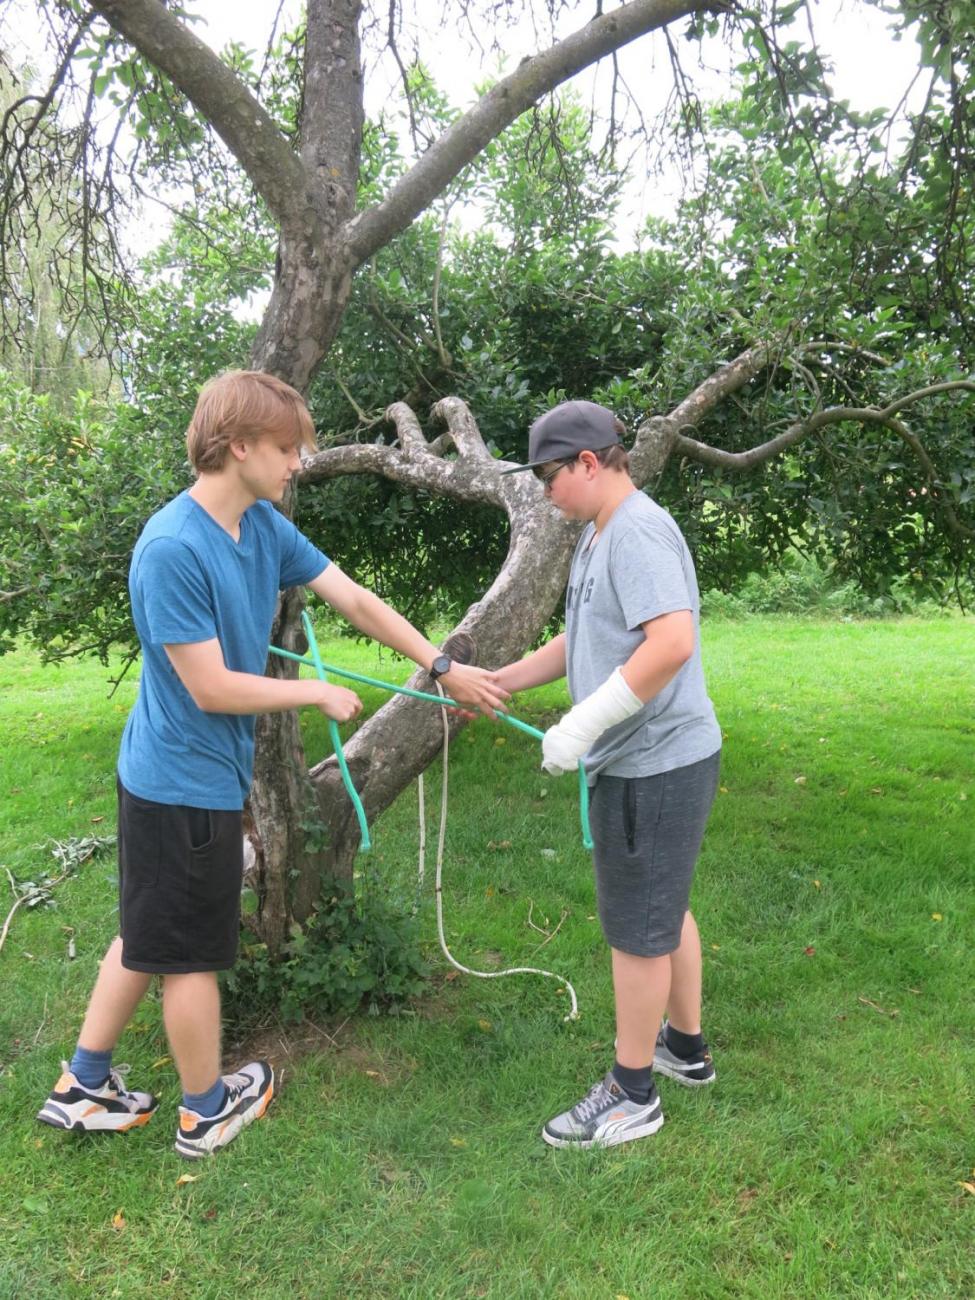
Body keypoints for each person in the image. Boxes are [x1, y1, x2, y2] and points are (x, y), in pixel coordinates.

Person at [37, 370, 509, 1159]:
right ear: (237, 446)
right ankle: (204, 1111)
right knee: (187, 954)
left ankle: (83, 1085)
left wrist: (437, 663)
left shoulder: (260, 527)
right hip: (177, 783)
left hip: (182, 777)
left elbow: (352, 598)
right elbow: (211, 685)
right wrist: (313, 695)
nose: (299, 463)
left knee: (148, 929)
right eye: (289, 448)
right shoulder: (171, 549)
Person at [495, 400, 722, 1149]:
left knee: (636, 931)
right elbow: (579, 639)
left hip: (654, 760)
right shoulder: (596, 534)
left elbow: (671, 643)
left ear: (590, 463)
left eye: (548, 477)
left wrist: (582, 724)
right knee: (663, 907)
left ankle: (632, 1095)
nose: (543, 492)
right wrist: (497, 681)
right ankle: (682, 1049)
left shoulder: (637, 532)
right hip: (651, 757)